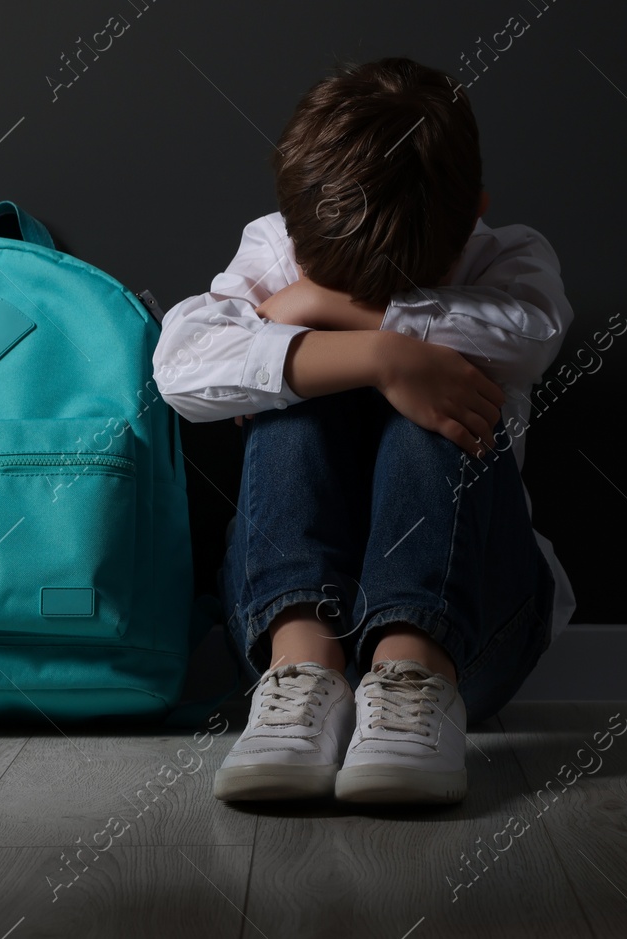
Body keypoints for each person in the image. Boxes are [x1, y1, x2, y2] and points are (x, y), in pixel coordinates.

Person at [152, 57, 575, 805]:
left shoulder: (509, 258)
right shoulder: (277, 246)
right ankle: (301, 668)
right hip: (288, 627)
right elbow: (178, 366)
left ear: (475, 212)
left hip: (472, 635)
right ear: (293, 225)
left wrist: (336, 316)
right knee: (298, 393)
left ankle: (413, 671)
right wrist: (378, 353)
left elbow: (532, 333)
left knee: (441, 393)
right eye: (337, 285)